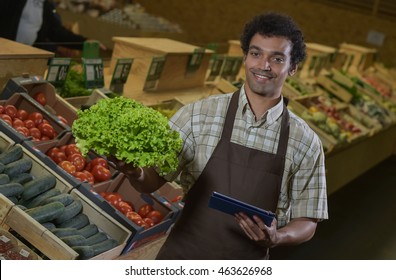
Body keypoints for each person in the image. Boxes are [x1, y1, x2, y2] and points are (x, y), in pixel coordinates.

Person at [112, 11, 329, 260]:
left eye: (277, 58)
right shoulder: (198, 115)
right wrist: (133, 171)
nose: (264, 65)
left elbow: (308, 221)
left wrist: (278, 237)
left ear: (293, 67)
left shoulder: (306, 142)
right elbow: (152, 179)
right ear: (245, 57)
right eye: (256, 53)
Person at [0, 0, 105, 54]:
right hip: (4, 53)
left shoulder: (45, 6)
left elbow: (57, 32)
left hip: (25, 55)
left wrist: (84, 42)